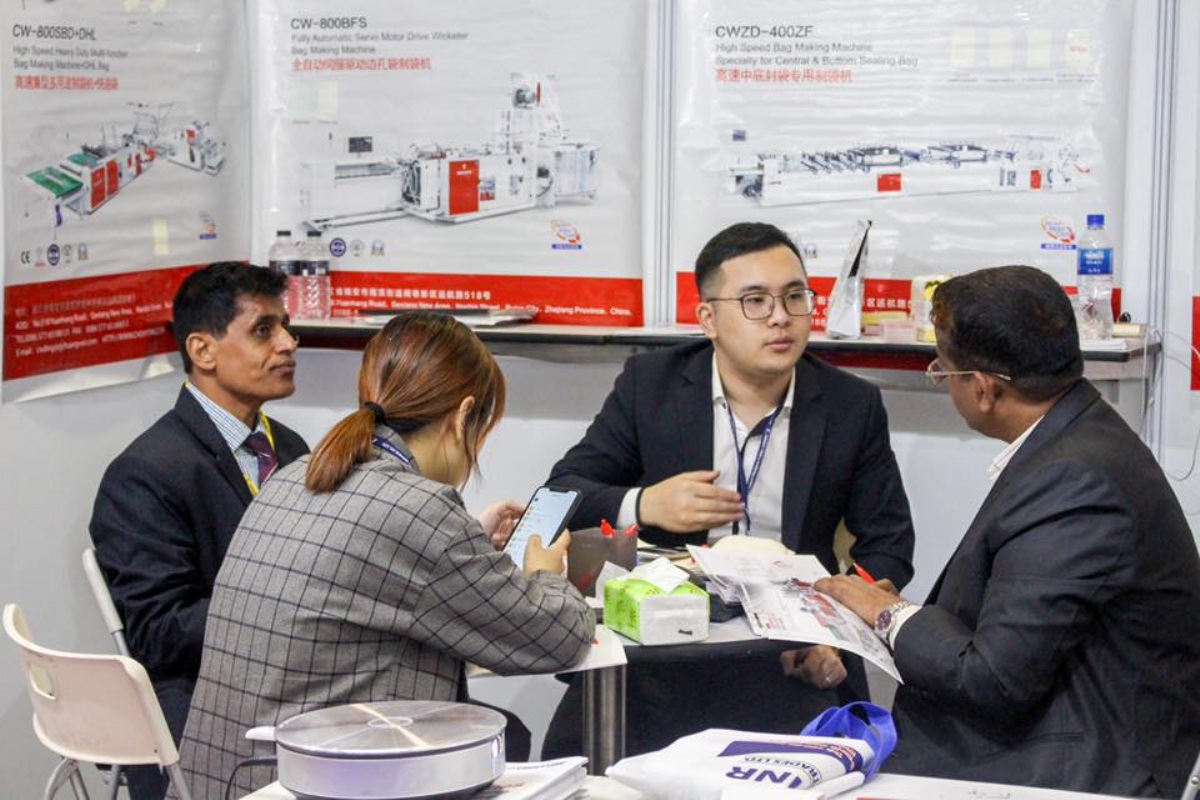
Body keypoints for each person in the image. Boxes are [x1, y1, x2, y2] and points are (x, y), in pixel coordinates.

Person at [817, 265, 1200, 798]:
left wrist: (888, 615)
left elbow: (993, 680)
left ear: (983, 389)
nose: (941, 379)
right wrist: (896, 616)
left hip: (1085, 764)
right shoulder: (1078, 438)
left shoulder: (1075, 480)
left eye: (942, 370)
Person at [178, 311, 595, 797]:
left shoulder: (293, 476)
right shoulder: (420, 510)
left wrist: (464, 540)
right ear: (463, 417)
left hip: (227, 778)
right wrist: (545, 574)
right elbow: (557, 638)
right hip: (314, 782)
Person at [543, 222, 915, 757]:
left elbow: (889, 543)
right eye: (755, 301)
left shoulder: (849, 405)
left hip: (790, 651)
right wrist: (646, 503)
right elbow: (558, 496)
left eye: (794, 297)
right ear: (708, 319)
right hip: (663, 649)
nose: (781, 317)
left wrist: (832, 632)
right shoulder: (651, 385)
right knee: (574, 758)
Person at [89, 262, 308, 800]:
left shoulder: (291, 448)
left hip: (293, 682)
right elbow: (159, 632)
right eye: (264, 330)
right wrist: (291, 608)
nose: (288, 343)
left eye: (285, 326)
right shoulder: (144, 473)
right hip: (202, 701)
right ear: (203, 351)